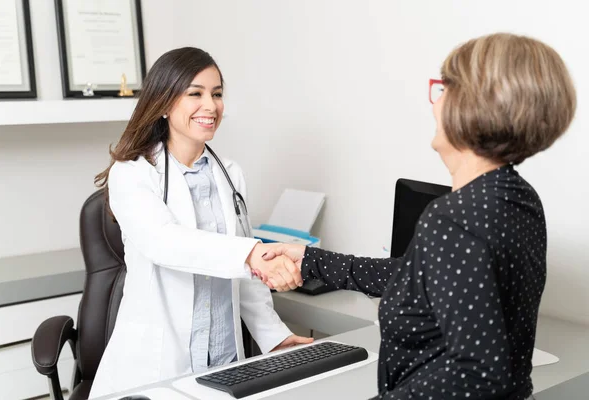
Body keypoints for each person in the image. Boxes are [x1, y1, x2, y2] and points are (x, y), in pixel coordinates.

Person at [259, 33, 576, 399]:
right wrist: (313, 260)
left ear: (472, 106)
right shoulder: (518, 198)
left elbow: (477, 375)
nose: (435, 103)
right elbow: (421, 277)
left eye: (444, 89)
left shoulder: (453, 218)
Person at [89, 47, 312, 398]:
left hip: (224, 361)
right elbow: (164, 242)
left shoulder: (230, 174)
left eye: (217, 93)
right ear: (163, 103)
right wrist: (251, 252)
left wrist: (275, 336)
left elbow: (246, 277)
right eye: (195, 93)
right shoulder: (132, 173)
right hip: (156, 367)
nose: (211, 105)